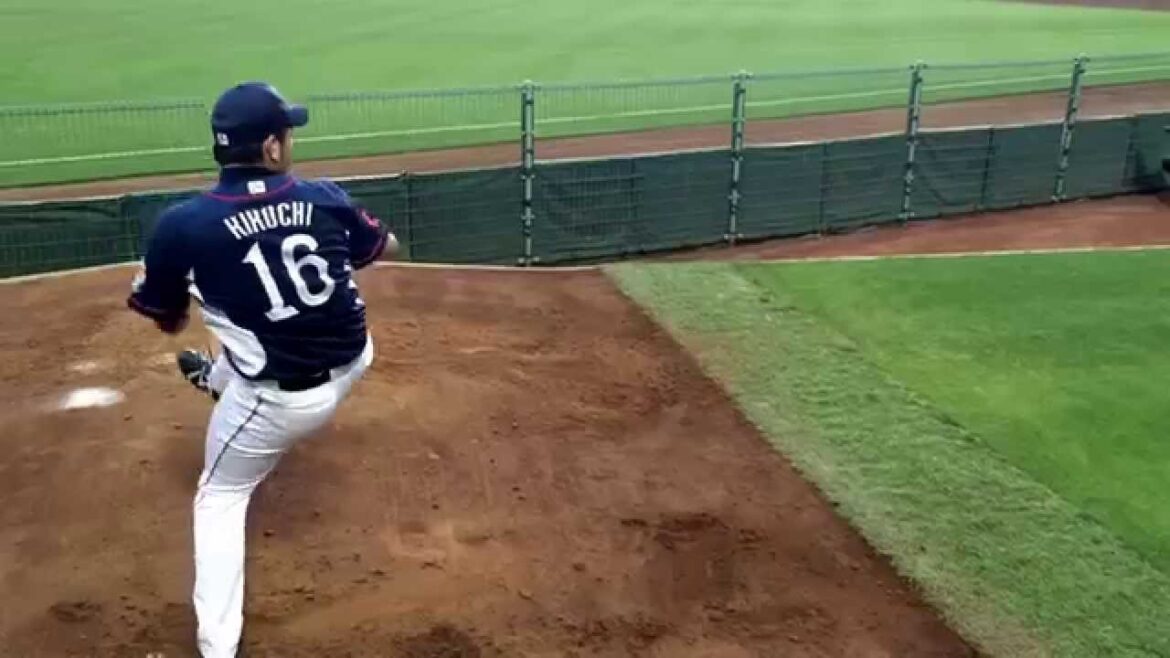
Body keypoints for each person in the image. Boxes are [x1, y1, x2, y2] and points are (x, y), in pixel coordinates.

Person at [127, 81, 397, 657]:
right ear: (271, 149)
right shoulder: (324, 197)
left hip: (280, 405)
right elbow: (385, 246)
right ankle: (217, 379)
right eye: (287, 132)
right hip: (355, 359)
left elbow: (168, 322)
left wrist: (173, 284)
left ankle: (217, 646)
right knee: (250, 320)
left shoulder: (182, 227)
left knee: (219, 497)